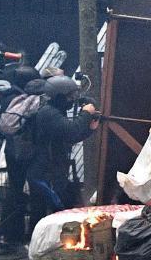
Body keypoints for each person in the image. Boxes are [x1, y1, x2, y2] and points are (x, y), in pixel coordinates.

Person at [27, 76, 98, 221]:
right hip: (45, 171)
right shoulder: (49, 112)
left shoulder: (56, 111)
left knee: (53, 209)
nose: (72, 100)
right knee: (53, 209)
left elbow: (69, 137)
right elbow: (71, 130)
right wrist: (85, 113)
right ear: (59, 96)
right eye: (70, 96)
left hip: (53, 169)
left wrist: (89, 129)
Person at [0, 65, 44, 249]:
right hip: (29, 150)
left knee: (14, 192)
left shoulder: (7, 97)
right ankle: (30, 236)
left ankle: (7, 234)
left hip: (12, 150)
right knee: (36, 192)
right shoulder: (31, 100)